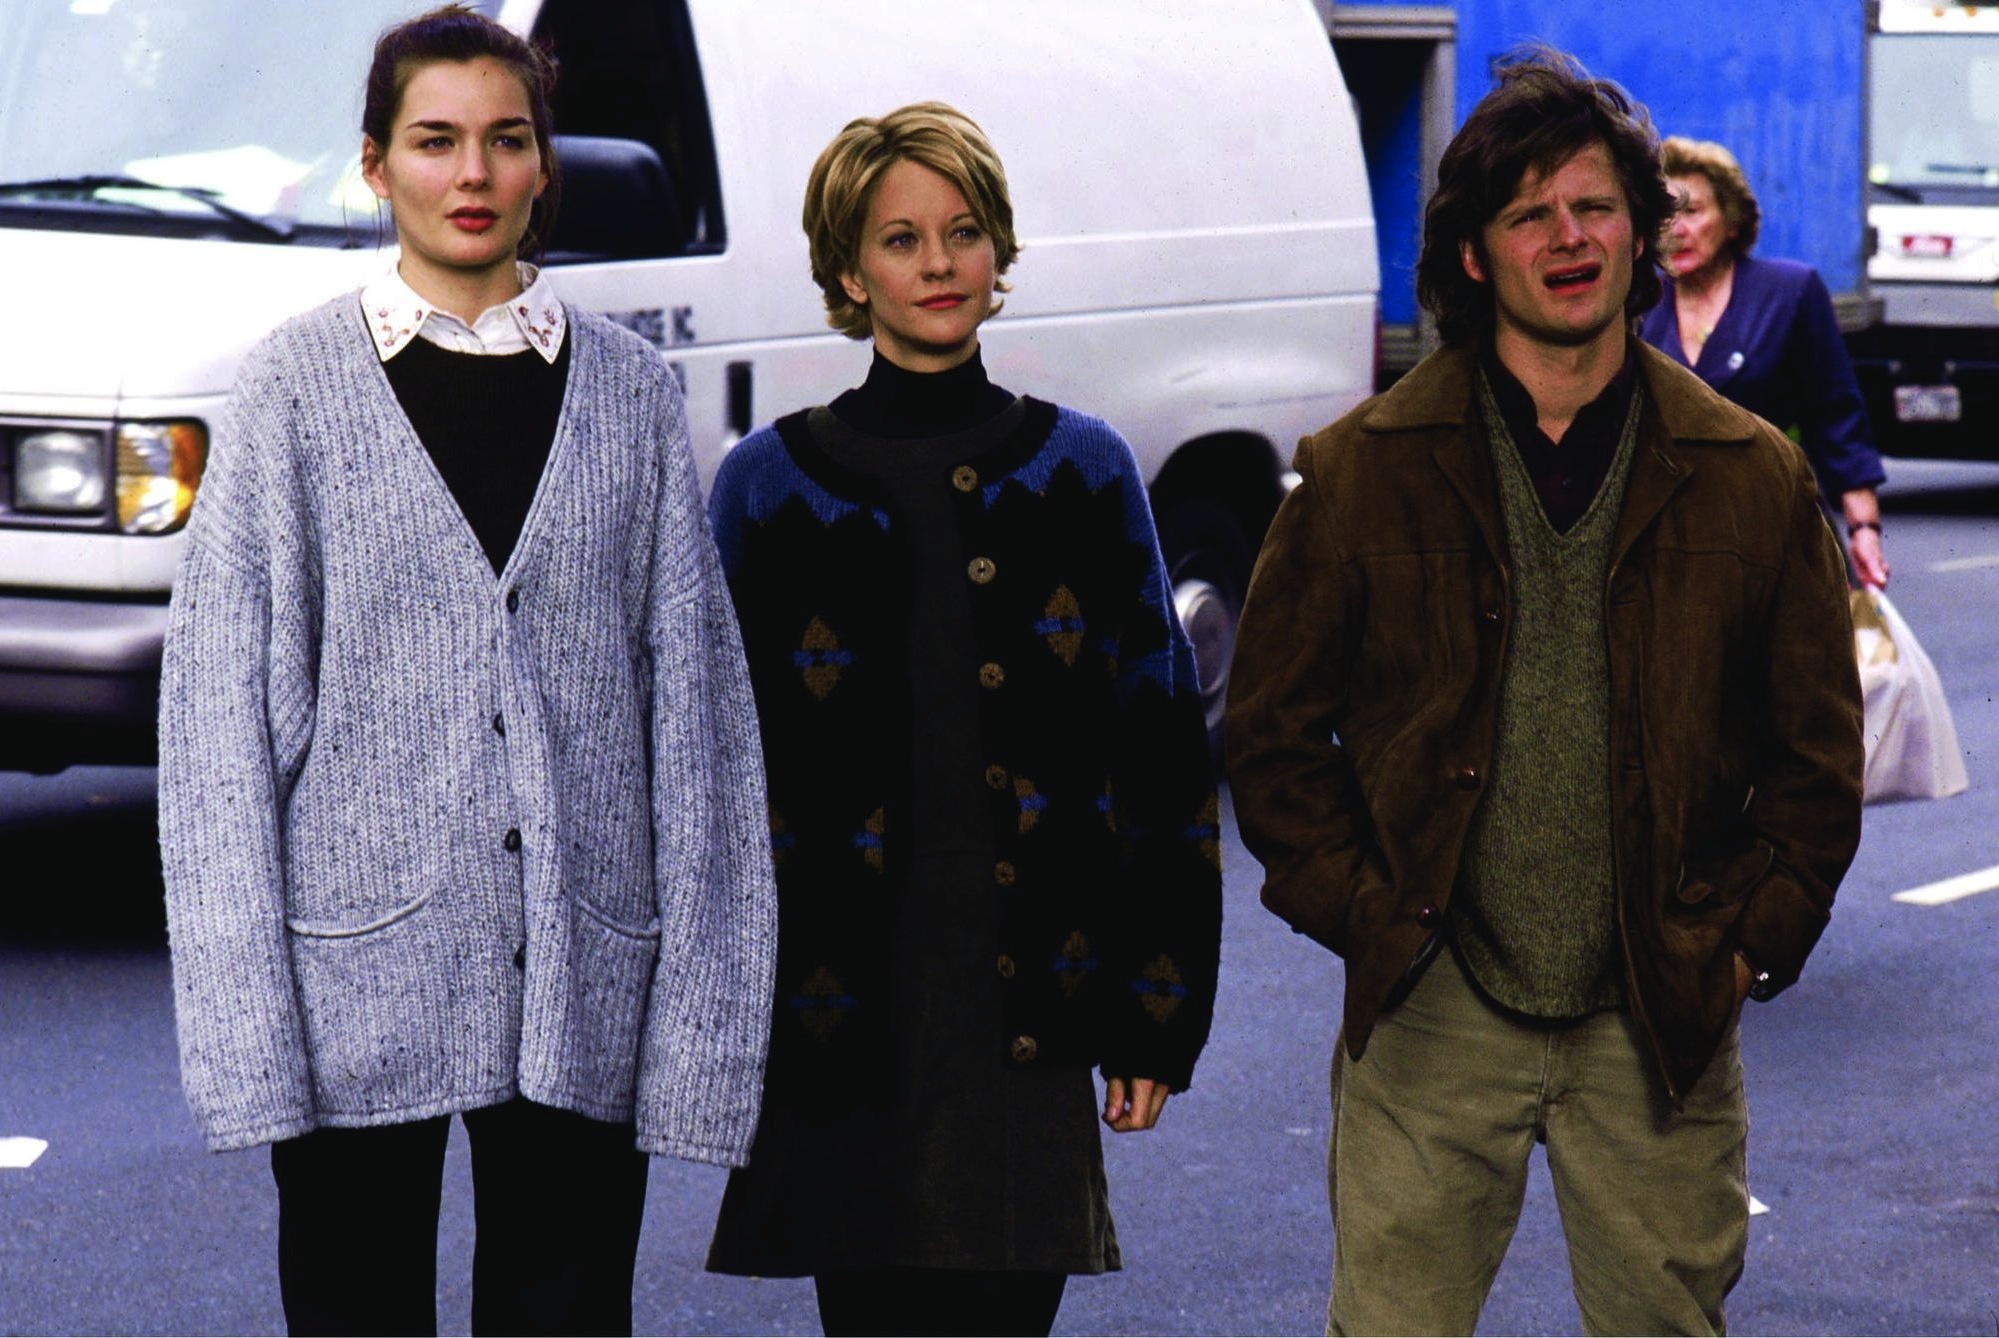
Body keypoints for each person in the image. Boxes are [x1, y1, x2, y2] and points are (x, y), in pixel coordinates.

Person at [156, 8, 777, 1335]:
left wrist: (702, 1035)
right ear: (375, 167)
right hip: (349, 986)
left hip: (580, 969)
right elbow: (215, 748)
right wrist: (246, 1047)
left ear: (546, 164)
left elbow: (699, 730)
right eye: (435, 142)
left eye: (506, 139)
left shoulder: (631, 396)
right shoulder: (293, 396)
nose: (474, 174)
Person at [1226, 49, 1864, 1337]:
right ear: (1476, 256)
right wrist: (1365, 914)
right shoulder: (1361, 470)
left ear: (1642, 235)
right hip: (1430, 1007)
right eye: (1528, 214)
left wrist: (1747, 938)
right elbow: (1271, 734)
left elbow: (1817, 758)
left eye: (1595, 206)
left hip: (1662, 1004)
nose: (1567, 238)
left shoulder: (1746, 475)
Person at [702, 101, 1222, 1338]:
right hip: (840, 1021)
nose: (936, 263)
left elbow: (1159, 752)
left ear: (999, 257)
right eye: (898, 238)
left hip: (1029, 1015)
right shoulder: (765, 485)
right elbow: (711, 773)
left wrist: (1156, 1013)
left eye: (964, 232)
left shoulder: (1083, 470)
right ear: (846, 269)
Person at [1639, 135, 1891, 588]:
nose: (1676, 228)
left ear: (1732, 220)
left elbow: (1837, 420)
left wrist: (1864, 530)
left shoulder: (1789, 293)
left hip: (1772, 538)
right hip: (1666, 548)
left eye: (1693, 212)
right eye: (1665, 214)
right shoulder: (1637, 305)